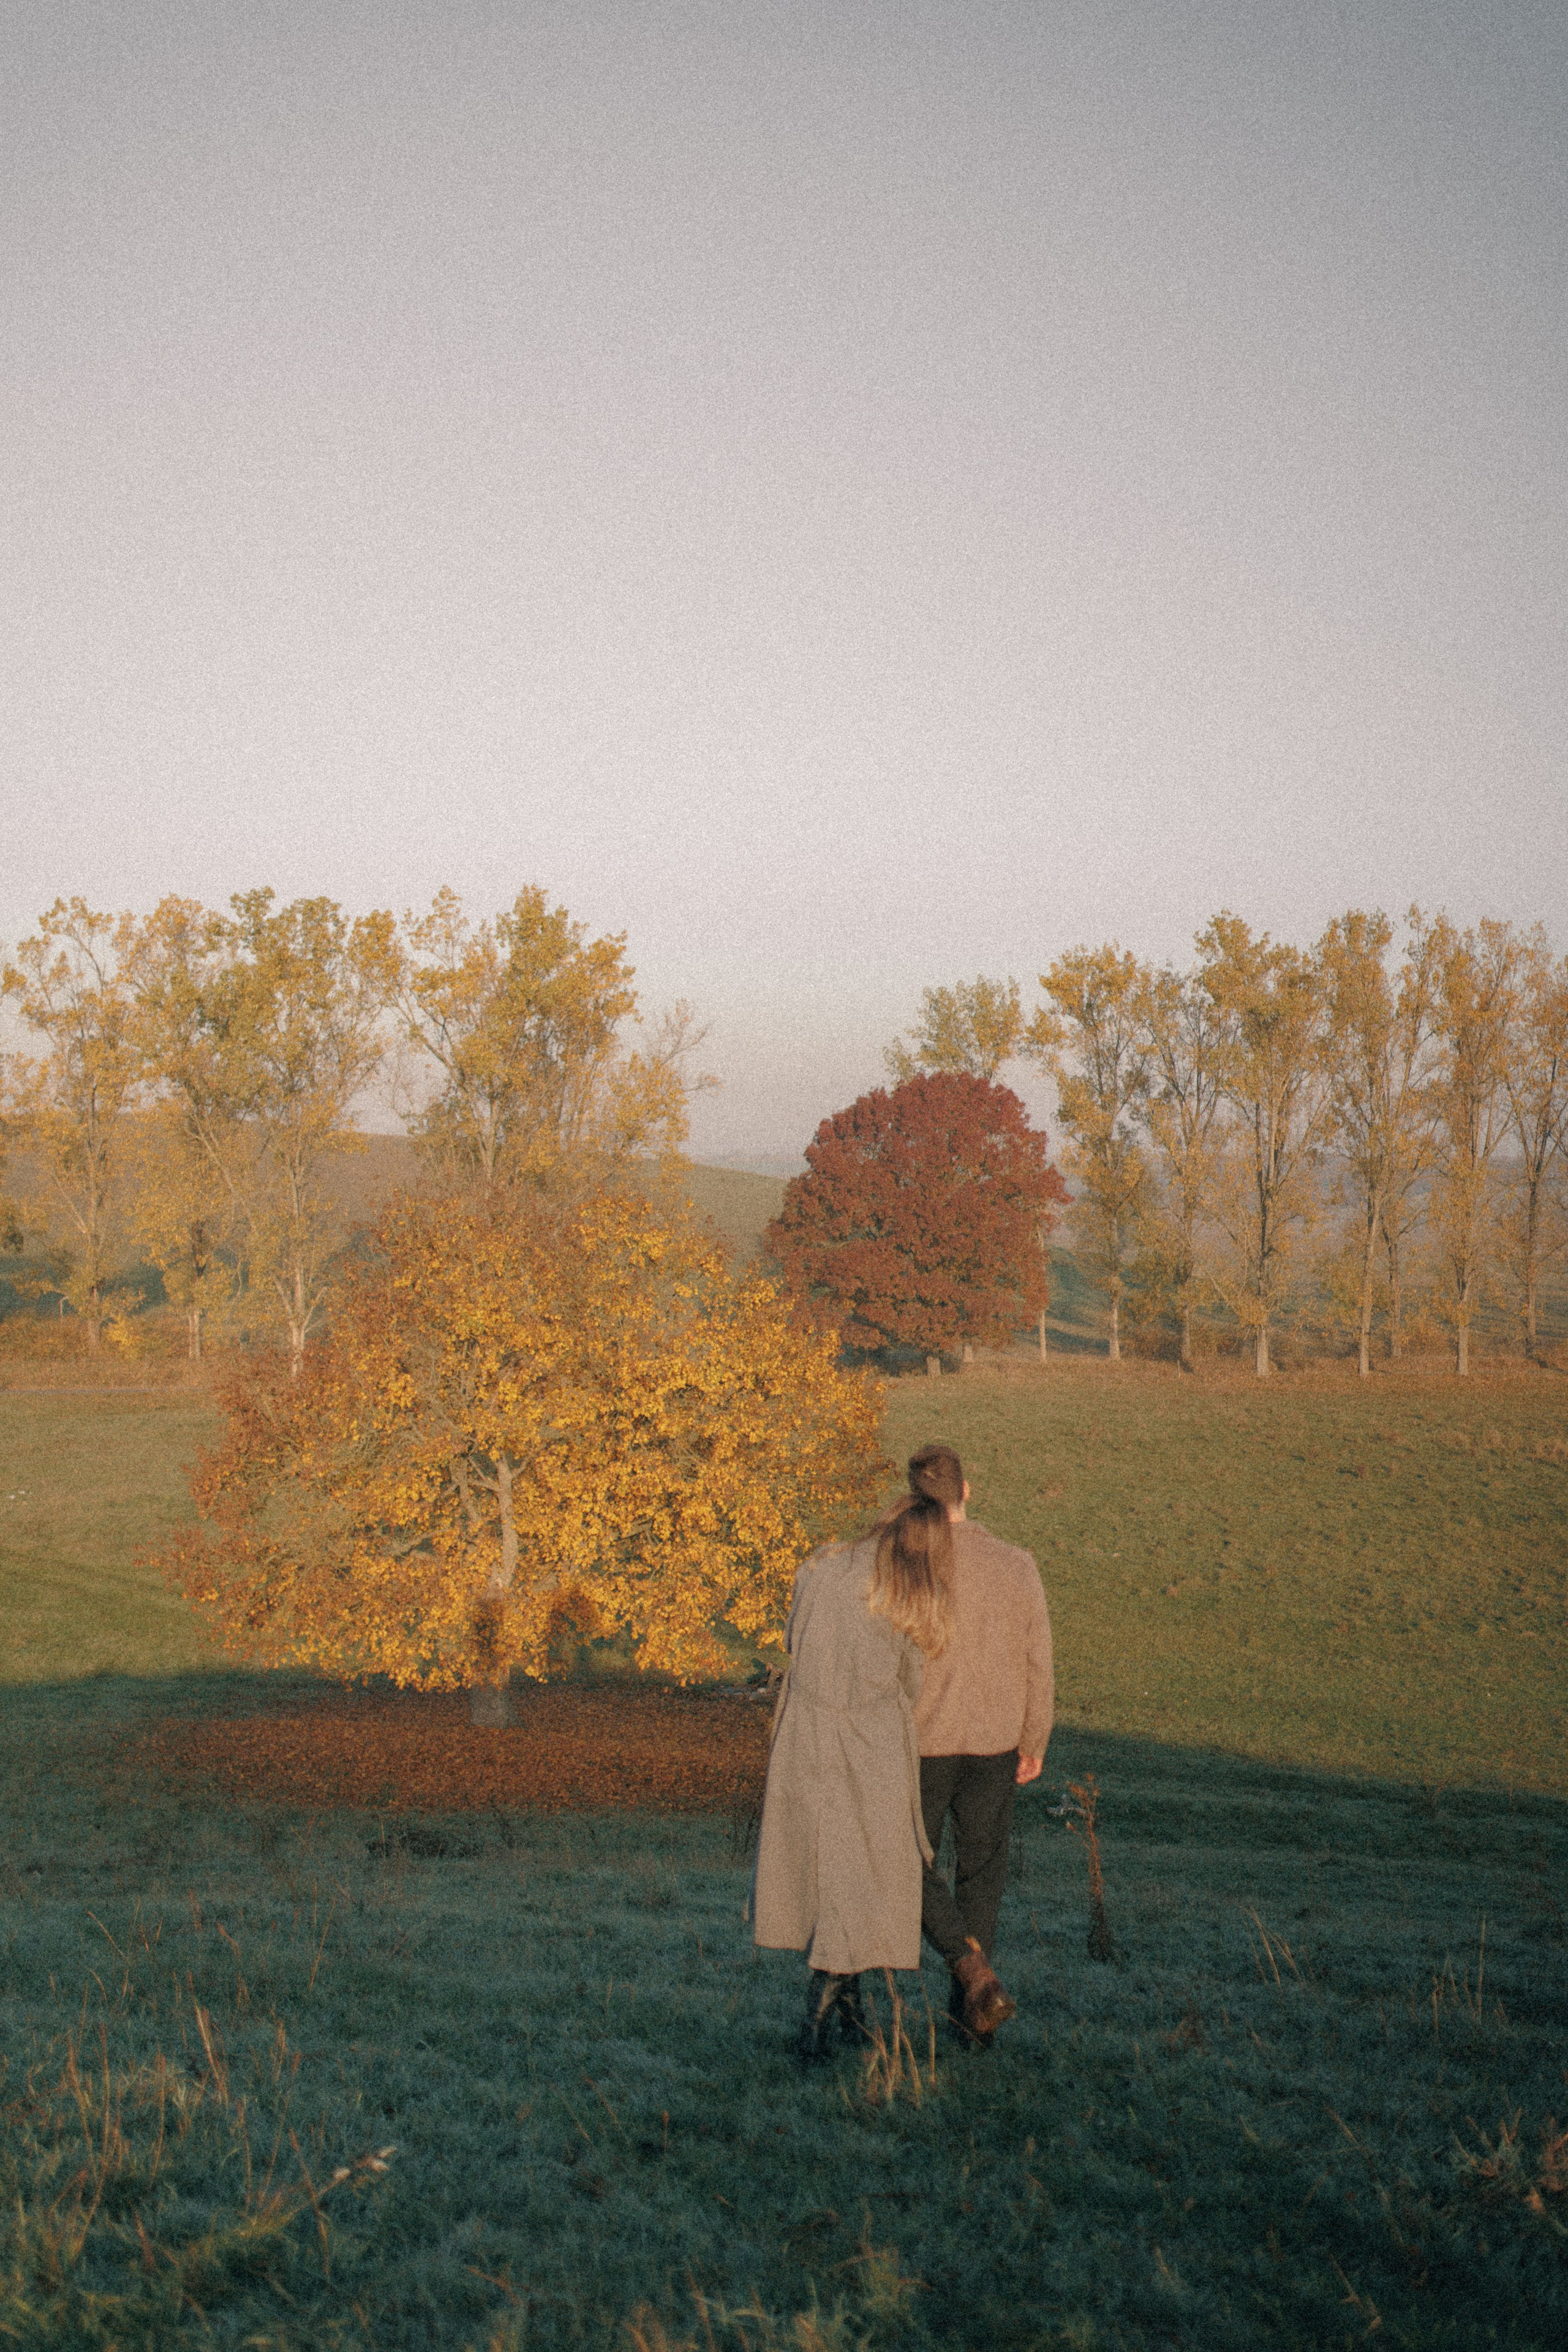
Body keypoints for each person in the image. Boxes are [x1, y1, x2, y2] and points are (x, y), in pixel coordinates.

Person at [751, 1476, 953, 2064]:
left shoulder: (821, 1565)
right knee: (866, 1870)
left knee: (832, 1868)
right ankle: (818, 2020)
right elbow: (912, 1676)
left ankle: (854, 2018)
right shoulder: (905, 1592)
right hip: (869, 1742)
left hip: (804, 1733)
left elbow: (794, 1638)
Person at [910, 1443, 1053, 2045]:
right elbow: (1037, 1660)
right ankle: (974, 2016)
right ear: (967, 1492)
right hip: (996, 1742)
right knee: (982, 1876)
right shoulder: (1017, 1564)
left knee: (907, 1865)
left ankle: (970, 1976)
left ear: (918, 1501)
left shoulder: (906, 1566)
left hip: (921, 1741)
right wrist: (1034, 1737)